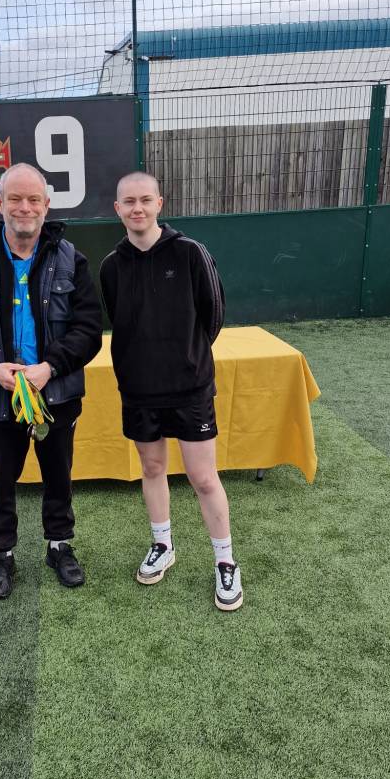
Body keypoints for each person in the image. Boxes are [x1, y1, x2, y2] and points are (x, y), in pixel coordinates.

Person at [0, 162, 103, 600]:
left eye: (33, 200)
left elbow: (89, 330)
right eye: (15, 198)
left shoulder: (71, 259)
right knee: (1, 477)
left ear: (47, 206)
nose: (24, 207)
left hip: (56, 392)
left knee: (59, 474)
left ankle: (59, 545)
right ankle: (1, 554)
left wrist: (49, 367)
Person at [99, 171, 244, 611]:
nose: (137, 208)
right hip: (139, 391)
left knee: (203, 477)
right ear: (118, 209)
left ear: (159, 203)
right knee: (152, 467)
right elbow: (120, 320)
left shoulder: (190, 253)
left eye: (146, 199)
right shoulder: (111, 266)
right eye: (129, 201)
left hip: (189, 389)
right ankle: (163, 544)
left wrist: (186, 358)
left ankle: (225, 562)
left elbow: (213, 314)